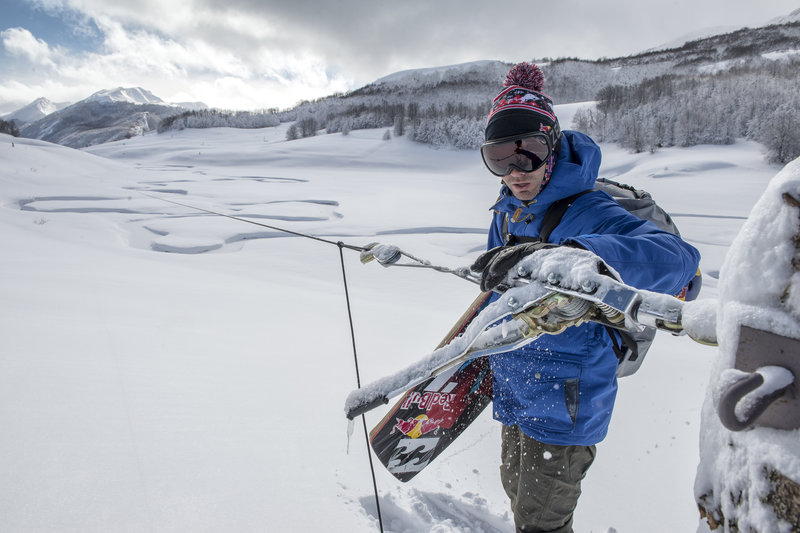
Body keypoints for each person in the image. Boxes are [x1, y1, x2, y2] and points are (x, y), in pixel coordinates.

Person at [470, 62, 701, 533]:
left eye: (528, 153)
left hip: (566, 399)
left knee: (542, 522)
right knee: (516, 494)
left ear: (552, 148)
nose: (515, 171)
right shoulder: (509, 212)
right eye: (499, 158)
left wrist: (573, 255)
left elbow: (679, 260)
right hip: (516, 382)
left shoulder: (591, 210)